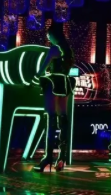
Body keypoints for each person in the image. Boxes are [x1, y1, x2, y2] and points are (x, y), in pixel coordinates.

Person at [32, 21, 75, 173]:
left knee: (50, 116)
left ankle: (47, 157)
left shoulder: (54, 49)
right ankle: (62, 157)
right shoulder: (68, 50)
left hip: (53, 83)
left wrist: (35, 77)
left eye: (48, 35)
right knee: (63, 117)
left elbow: (42, 68)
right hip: (65, 83)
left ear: (52, 35)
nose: (48, 38)